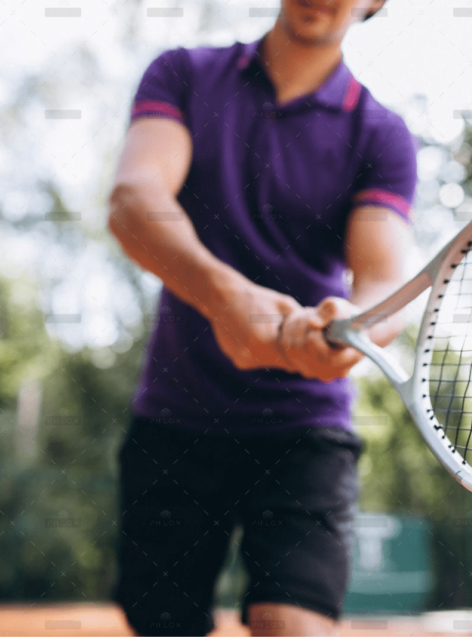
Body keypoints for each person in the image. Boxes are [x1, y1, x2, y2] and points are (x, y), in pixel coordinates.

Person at [107, 0, 417, 635]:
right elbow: (134, 201)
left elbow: (383, 284)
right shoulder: (183, 74)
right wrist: (227, 299)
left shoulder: (380, 134)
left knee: (293, 624)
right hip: (175, 420)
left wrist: (349, 331)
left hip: (303, 434)